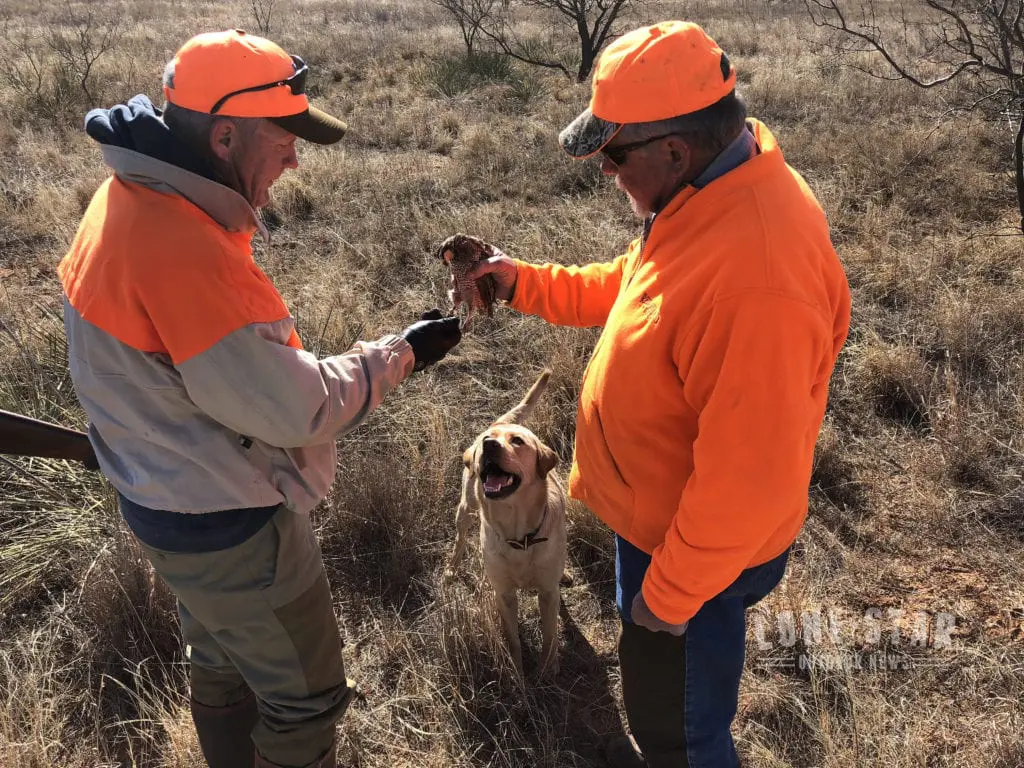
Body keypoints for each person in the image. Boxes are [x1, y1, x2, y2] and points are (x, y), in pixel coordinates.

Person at [57, 30, 461, 768]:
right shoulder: (180, 245)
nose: (295, 157)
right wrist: (401, 353)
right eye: (284, 137)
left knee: (218, 655)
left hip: (164, 502)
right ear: (222, 135)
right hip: (232, 527)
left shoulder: (127, 195)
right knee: (305, 699)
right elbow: (295, 407)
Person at [453, 21, 852, 768]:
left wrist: (662, 606)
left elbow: (746, 483)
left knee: (682, 735)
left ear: (673, 149)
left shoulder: (759, 279)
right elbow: (643, 286)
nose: (606, 171)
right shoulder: (711, 189)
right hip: (667, 530)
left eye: (614, 154)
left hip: (693, 554)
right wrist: (525, 283)